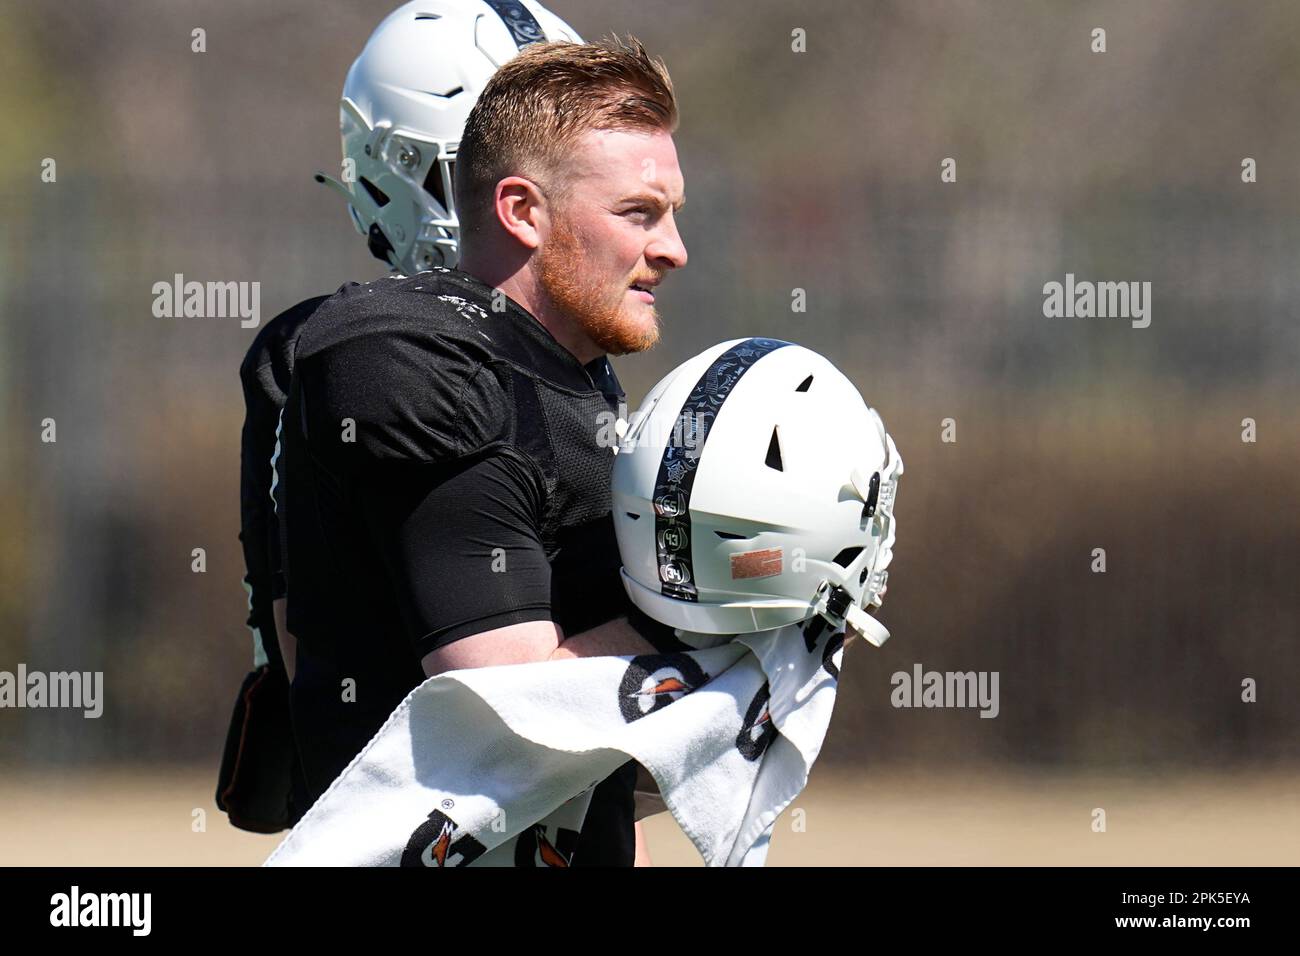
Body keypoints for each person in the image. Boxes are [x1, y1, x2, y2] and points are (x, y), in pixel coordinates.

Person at [274, 36, 689, 866]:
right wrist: (727, 615)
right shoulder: (411, 359)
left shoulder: (575, 379)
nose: (674, 249)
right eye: (639, 213)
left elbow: (603, 775)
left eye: (673, 213)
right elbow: (511, 708)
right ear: (522, 211)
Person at [218, 0, 583, 835]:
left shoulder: (554, 357)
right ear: (403, 169)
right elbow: (513, 701)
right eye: (488, 173)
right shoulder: (371, 354)